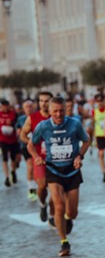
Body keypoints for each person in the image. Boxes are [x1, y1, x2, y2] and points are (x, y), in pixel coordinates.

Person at [28, 97, 90, 256]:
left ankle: (68, 219)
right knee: (59, 205)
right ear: (49, 111)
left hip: (73, 171)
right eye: (55, 111)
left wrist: (79, 157)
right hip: (53, 170)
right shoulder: (43, 126)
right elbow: (31, 144)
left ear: (65, 110)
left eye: (61, 110)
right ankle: (64, 242)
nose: (58, 114)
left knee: (72, 212)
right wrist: (36, 156)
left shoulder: (74, 124)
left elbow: (86, 140)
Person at [20, 91, 54, 223]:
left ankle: (52, 215)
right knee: (41, 186)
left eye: (46, 101)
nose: (43, 104)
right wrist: (29, 143)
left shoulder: (56, 116)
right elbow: (23, 135)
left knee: (55, 189)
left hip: (55, 159)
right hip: (39, 158)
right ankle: (42, 204)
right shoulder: (32, 118)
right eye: (41, 101)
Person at [16, 100, 37, 200]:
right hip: (26, 145)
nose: (29, 108)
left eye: (30, 106)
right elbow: (19, 133)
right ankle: (31, 189)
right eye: (26, 106)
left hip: (38, 146)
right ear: (23, 109)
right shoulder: (21, 119)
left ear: (34, 107)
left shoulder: (38, 117)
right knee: (30, 166)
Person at [92, 94, 105, 182]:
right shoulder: (95, 111)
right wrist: (93, 138)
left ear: (104, 100)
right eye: (98, 101)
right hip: (99, 135)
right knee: (101, 154)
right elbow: (93, 123)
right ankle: (104, 173)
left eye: (101, 100)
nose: (100, 103)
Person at [0, 99, 20, 187]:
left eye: (5, 105)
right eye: (2, 106)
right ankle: (7, 177)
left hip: (13, 139)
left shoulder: (13, 114)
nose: (4, 107)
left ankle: (13, 171)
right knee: (5, 158)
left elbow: (17, 124)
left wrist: (12, 124)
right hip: (2, 139)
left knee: (13, 157)